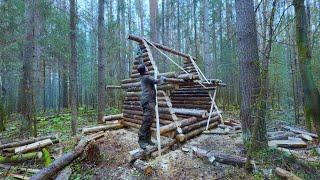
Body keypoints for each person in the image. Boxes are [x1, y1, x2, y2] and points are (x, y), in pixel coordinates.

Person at [137, 64, 166, 149]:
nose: (147, 67)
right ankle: (141, 140)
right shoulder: (147, 77)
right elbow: (158, 81)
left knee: (149, 121)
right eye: (146, 67)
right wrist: (163, 78)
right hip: (148, 101)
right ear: (145, 70)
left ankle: (147, 139)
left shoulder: (143, 77)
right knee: (147, 121)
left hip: (148, 101)